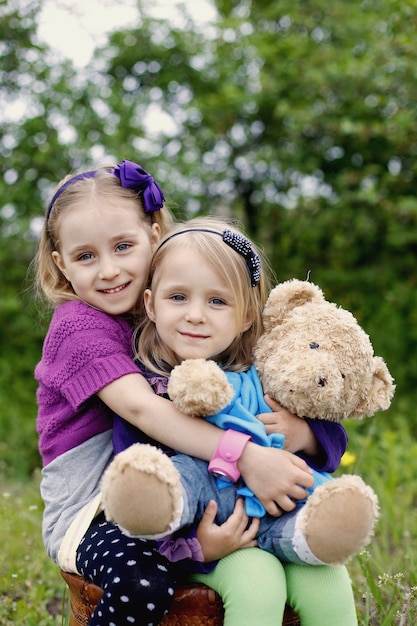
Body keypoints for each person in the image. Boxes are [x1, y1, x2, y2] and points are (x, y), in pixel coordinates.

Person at [33, 160, 323, 626]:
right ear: (62, 264)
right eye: (86, 257)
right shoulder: (79, 325)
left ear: (154, 234)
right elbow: (141, 408)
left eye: (123, 247)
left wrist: (301, 432)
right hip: (93, 511)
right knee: (141, 582)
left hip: (177, 487)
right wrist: (247, 456)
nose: (108, 271)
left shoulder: (172, 307)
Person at [107, 216, 359, 625]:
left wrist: (305, 434)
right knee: (258, 583)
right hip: (209, 542)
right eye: (178, 297)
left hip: (283, 525)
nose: (195, 315)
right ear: (151, 304)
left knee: (328, 582)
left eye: (217, 301)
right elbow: (142, 496)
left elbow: (334, 444)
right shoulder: (149, 392)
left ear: (246, 316)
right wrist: (196, 547)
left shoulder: (266, 374)